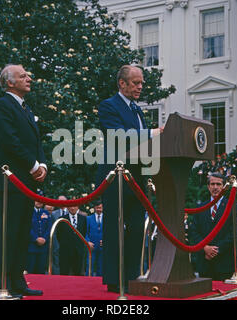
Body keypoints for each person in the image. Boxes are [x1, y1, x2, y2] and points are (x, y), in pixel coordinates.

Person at [96, 65, 163, 293]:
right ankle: (115, 280)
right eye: (136, 83)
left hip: (138, 177)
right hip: (115, 177)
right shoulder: (108, 106)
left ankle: (132, 275)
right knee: (115, 227)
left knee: (136, 228)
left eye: (141, 82)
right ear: (122, 84)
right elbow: (118, 136)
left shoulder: (138, 110)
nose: (140, 86)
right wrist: (153, 133)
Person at [0, 64, 47, 298]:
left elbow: (35, 141)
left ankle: (17, 282)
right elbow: (9, 141)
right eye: (23, 76)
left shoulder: (25, 108)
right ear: (10, 82)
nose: (29, 78)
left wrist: (42, 164)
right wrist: (33, 165)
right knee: (9, 234)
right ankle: (2, 287)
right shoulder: (2, 105)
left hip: (27, 182)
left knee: (22, 232)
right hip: (10, 181)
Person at [191, 172, 237, 281]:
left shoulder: (232, 206)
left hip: (224, 264)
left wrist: (216, 250)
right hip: (204, 263)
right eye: (212, 184)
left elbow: (234, 233)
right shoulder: (200, 207)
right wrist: (205, 248)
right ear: (208, 187)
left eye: (218, 184)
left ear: (224, 187)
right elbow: (194, 231)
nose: (215, 187)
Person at [57, 203, 87, 276]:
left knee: (78, 272)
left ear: (78, 207)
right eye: (70, 206)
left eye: (74, 206)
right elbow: (59, 234)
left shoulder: (83, 218)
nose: (72, 208)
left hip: (78, 250)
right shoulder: (62, 219)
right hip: (65, 250)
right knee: (64, 271)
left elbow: (84, 232)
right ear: (67, 207)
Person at [26, 194, 52, 275]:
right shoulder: (28, 212)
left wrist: (44, 238)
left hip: (43, 247)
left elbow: (49, 227)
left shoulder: (46, 213)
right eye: (37, 199)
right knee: (30, 271)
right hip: (31, 247)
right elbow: (27, 227)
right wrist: (36, 238)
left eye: (40, 199)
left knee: (41, 272)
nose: (39, 201)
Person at [50, 195, 68, 275]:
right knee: (56, 258)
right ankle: (56, 275)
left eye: (63, 201)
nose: (62, 203)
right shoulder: (53, 214)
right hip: (56, 239)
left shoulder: (70, 212)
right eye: (60, 201)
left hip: (67, 240)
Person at [85, 199, 103, 276]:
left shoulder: (107, 218)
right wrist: (87, 242)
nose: (99, 209)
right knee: (89, 266)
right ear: (94, 208)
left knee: (101, 267)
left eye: (100, 208)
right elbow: (85, 232)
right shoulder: (88, 218)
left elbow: (109, 232)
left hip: (102, 247)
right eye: (97, 208)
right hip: (91, 246)